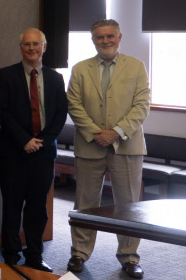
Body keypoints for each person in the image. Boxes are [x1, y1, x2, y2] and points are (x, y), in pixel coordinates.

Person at [66, 19, 150, 279]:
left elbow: (142, 105)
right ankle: (79, 253)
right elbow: (74, 103)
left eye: (110, 36)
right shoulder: (80, 69)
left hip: (126, 146)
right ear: (93, 40)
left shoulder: (136, 67)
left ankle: (129, 257)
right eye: (100, 37)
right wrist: (96, 133)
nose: (105, 41)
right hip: (90, 145)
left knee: (128, 205)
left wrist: (116, 132)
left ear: (119, 37)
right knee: (85, 204)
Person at [0, 28, 67, 272]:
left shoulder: (56, 78)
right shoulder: (5, 75)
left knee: (38, 208)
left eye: (36, 44)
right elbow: (3, 112)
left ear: (44, 47)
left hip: (44, 153)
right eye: (27, 44)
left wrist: (43, 141)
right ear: (21, 47)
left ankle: (34, 255)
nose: (32, 48)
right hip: (14, 151)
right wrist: (24, 140)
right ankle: (11, 254)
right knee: (12, 206)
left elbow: (60, 115)